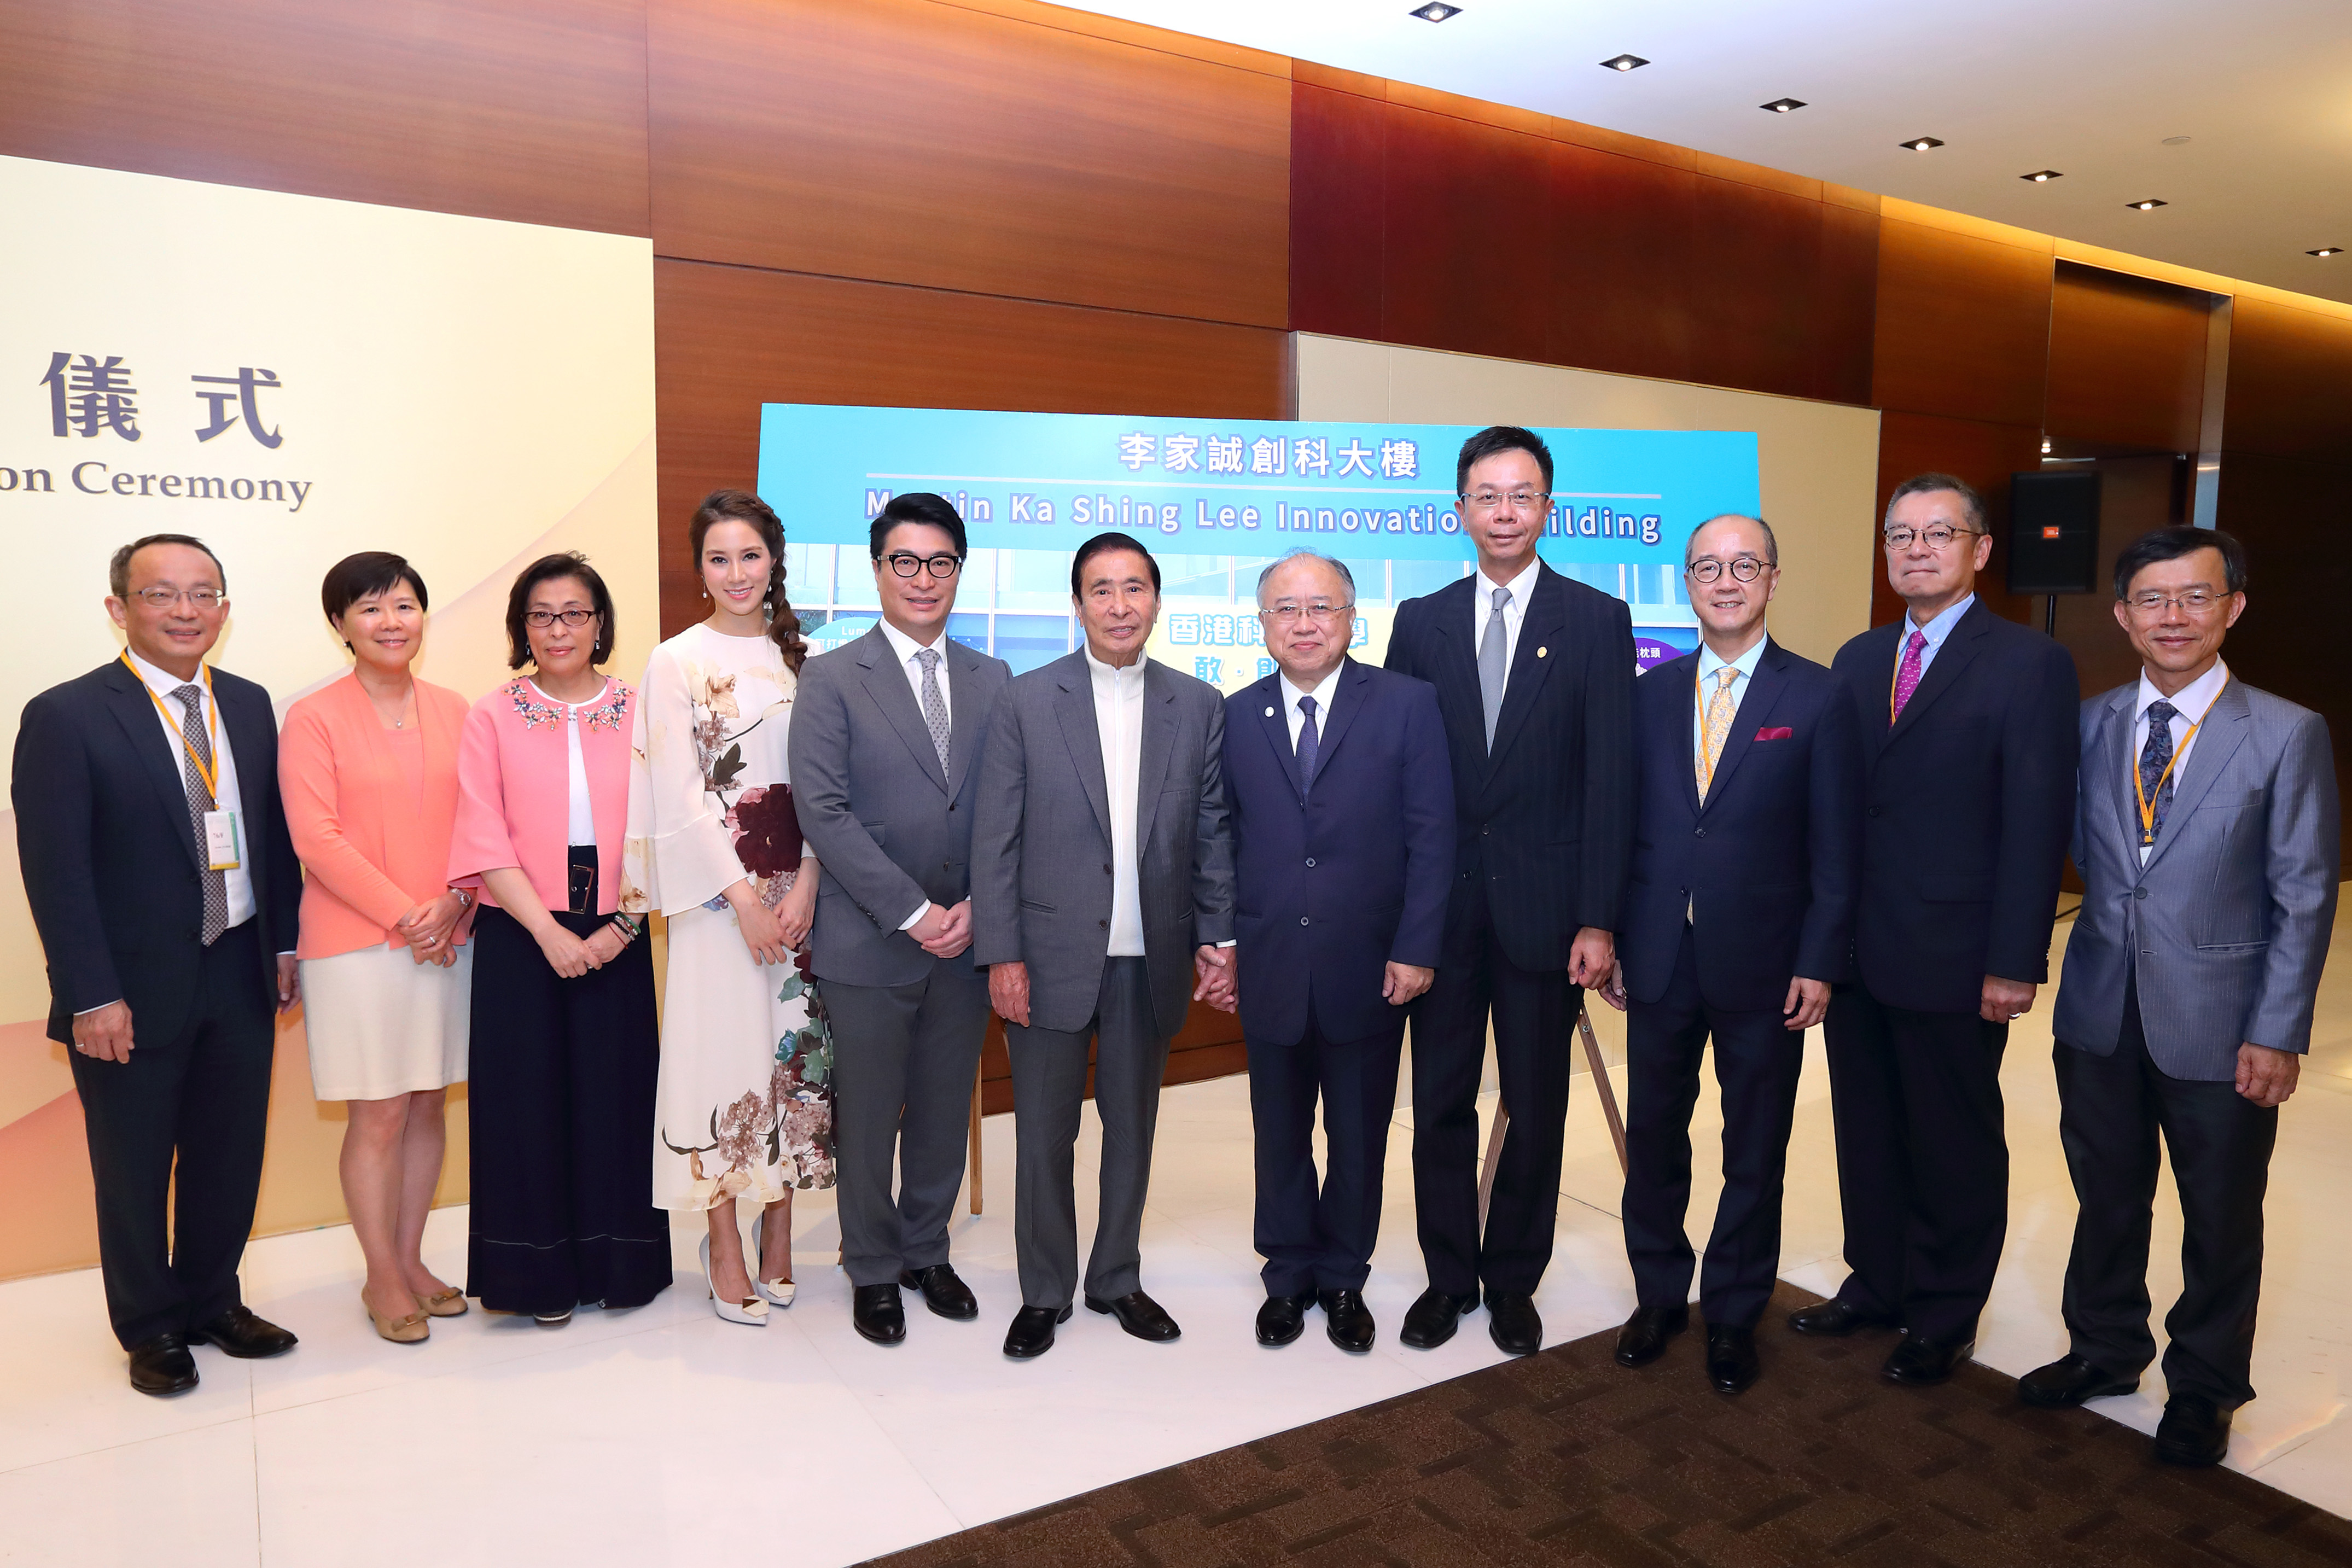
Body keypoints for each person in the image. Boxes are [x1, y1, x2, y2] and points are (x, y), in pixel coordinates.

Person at [2023, 527, 2336, 1467]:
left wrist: (2277, 1031)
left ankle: (2205, 1388)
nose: (2174, 616)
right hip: (2099, 1012)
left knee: (2221, 1217)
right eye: (2153, 600)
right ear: (2123, 615)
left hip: (2223, 1022)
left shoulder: (2285, 731)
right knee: (2105, 1199)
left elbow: (2304, 894)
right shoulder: (2089, 723)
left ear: (2232, 607)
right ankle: (2104, 1349)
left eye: (2196, 597)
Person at [1801, 473, 2079, 1385]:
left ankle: (1944, 1311)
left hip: (1959, 954)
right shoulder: (1857, 657)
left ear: (1980, 550)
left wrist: (2015, 958)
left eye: (1938, 533)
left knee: (1951, 1137)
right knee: (1867, 1127)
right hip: (1857, 950)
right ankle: (1877, 1282)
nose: (1916, 550)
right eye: (1901, 535)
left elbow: (2038, 820)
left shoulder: (2029, 663)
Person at [13, 534, 302, 1395]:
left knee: (228, 1154)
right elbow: (56, 870)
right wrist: (90, 993)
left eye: (202, 593)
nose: (185, 610)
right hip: (128, 988)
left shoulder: (247, 704)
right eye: (161, 594)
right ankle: (150, 1327)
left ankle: (213, 1301)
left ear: (224, 609)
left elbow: (270, 840)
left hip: (239, 968)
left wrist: (283, 944)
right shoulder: (66, 715)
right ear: (120, 609)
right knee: (133, 1167)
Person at [1383, 426, 1635, 1357]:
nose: (1504, 512)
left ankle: (1515, 1281)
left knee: (1537, 1105)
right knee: (1440, 1105)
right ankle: (1449, 1277)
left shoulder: (1597, 620)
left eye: (1521, 495)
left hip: (1547, 914)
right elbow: (1398, 775)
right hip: (1442, 915)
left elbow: (1610, 780)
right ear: (1461, 510)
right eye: (1486, 496)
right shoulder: (1422, 621)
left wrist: (1600, 918)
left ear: (1547, 508)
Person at [1596, 515, 1860, 1395]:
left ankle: (1735, 1311)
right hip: (1659, 956)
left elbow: (1837, 847)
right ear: (1687, 583)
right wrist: (1616, 936)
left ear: (1773, 580)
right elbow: (1625, 829)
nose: (1726, 580)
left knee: (1755, 1146)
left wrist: (1819, 959)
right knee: (1655, 1137)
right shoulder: (1649, 694)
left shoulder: (1818, 696)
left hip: (1768, 964)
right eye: (1708, 567)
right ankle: (1658, 1295)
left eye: (1745, 565)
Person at [971, 531, 1238, 1361]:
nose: (1119, 606)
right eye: (1101, 590)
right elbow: (995, 840)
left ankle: (1116, 1276)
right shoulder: (1025, 699)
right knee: (1044, 1137)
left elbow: (1212, 833)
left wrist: (1216, 934)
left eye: (1135, 589)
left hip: (1151, 958)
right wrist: (1002, 954)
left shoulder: (1198, 704)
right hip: (1046, 956)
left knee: (1132, 1130)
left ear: (1156, 600)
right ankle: (1044, 1291)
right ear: (1078, 604)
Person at [789, 493, 1009, 1347]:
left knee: (944, 1109)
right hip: (872, 938)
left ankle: (927, 1250)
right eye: (905, 562)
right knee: (872, 1115)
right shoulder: (832, 676)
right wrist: (914, 912)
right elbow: (823, 810)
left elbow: (1008, 807)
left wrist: (980, 907)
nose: (924, 579)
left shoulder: (994, 679)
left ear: (959, 571)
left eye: (940, 562)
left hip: (968, 939)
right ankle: (874, 1267)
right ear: (878, 570)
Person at [1222, 551, 1452, 1354]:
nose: (1304, 624)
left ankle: (1345, 1275)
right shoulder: (1236, 715)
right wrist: (1221, 942)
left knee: (1359, 1135)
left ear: (1353, 619)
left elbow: (1433, 835)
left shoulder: (1407, 705)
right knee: (1279, 1133)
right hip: (1270, 960)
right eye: (1286, 609)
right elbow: (1221, 838)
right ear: (1263, 625)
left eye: (1322, 607)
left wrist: (1418, 946)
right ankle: (1288, 1275)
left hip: (1372, 963)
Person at [625, 490, 831, 1327]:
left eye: (750, 556)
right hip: (719, 900)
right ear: (699, 567)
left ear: (774, 561)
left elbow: (827, 786)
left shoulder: (807, 658)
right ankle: (722, 1243)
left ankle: (779, 1226)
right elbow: (675, 795)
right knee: (721, 1062)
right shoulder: (674, 660)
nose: (737, 573)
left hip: (804, 899)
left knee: (794, 1062)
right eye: (719, 558)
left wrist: (809, 879)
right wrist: (743, 897)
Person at [449, 553, 669, 1324]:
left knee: (615, 1101)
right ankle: (534, 1277)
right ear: (522, 628)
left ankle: (619, 1265)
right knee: (525, 1106)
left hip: (620, 930)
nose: (559, 629)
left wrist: (623, 927)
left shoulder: (643, 709)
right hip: (520, 932)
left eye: (575, 613)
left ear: (600, 623)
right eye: (541, 616)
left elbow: (665, 826)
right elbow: (482, 836)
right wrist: (548, 934)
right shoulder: (491, 715)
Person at [279, 553, 475, 1345]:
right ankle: (381, 1274)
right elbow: (316, 839)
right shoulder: (313, 717)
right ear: (340, 625)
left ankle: (412, 1258)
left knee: (428, 1099)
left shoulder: (457, 708)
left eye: (404, 605)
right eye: (369, 609)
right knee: (380, 1111)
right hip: (357, 945)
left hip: (449, 936)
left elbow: (483, 823)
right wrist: (409, 917)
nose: (391, 622)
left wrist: (457, 902)